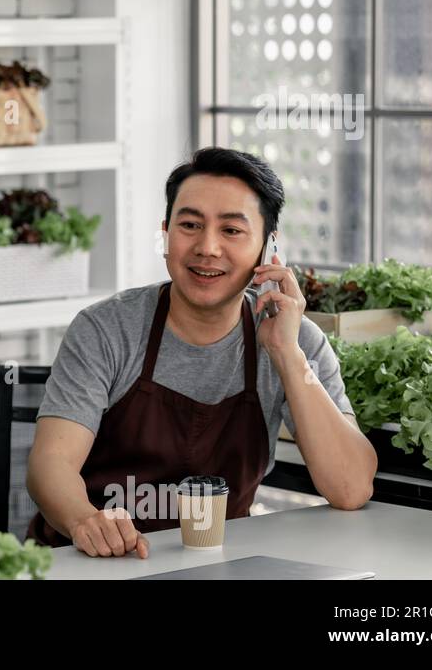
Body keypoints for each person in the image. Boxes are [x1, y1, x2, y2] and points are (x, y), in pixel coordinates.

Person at [26, 147, 376, 558]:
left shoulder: (297, 340)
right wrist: (85, 520)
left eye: (231, 230)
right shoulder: (106, 329)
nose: (207, 247)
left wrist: (286, 353)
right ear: (166, 233)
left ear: (268, 247)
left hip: (217, 563)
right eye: (190, 225)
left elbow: (351, 488)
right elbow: (50, 464)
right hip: (96, 563)